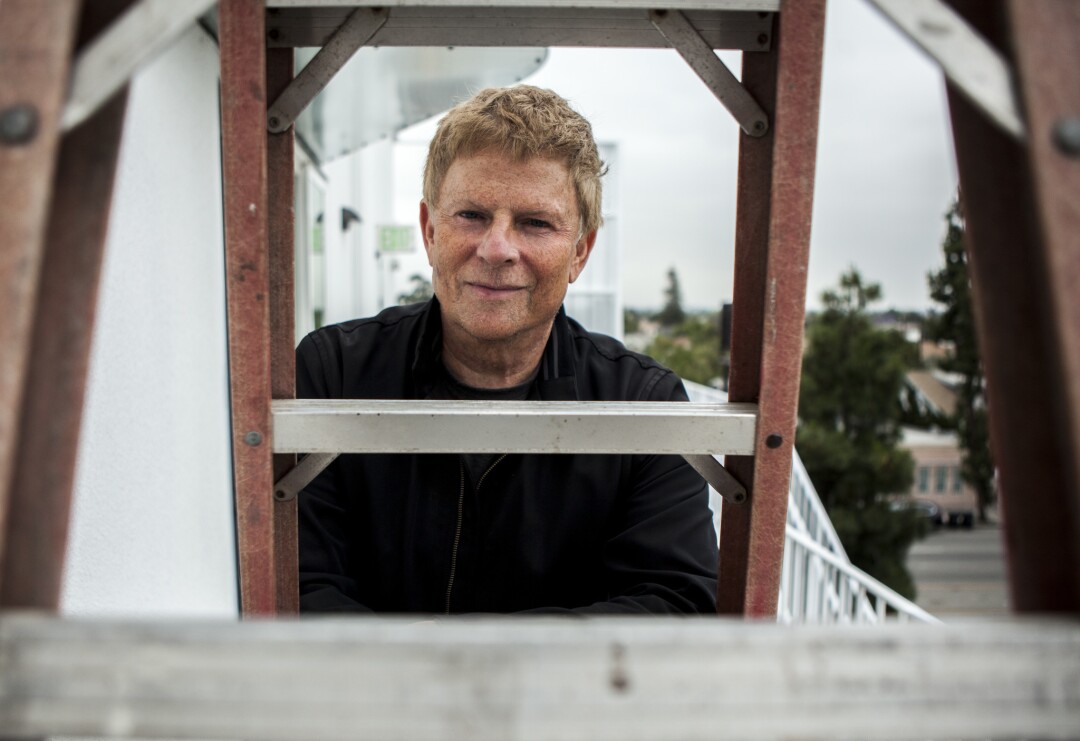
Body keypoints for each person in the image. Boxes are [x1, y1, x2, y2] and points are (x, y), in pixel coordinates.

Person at [296, 85, 718, 615]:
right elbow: (299, 587)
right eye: (471, 215)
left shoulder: (645, 403)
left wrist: (467, 675)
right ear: (429, 231)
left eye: (535, 223)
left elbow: (674, 604)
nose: (497, 249)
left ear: (579, 253)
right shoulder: (332, 374)